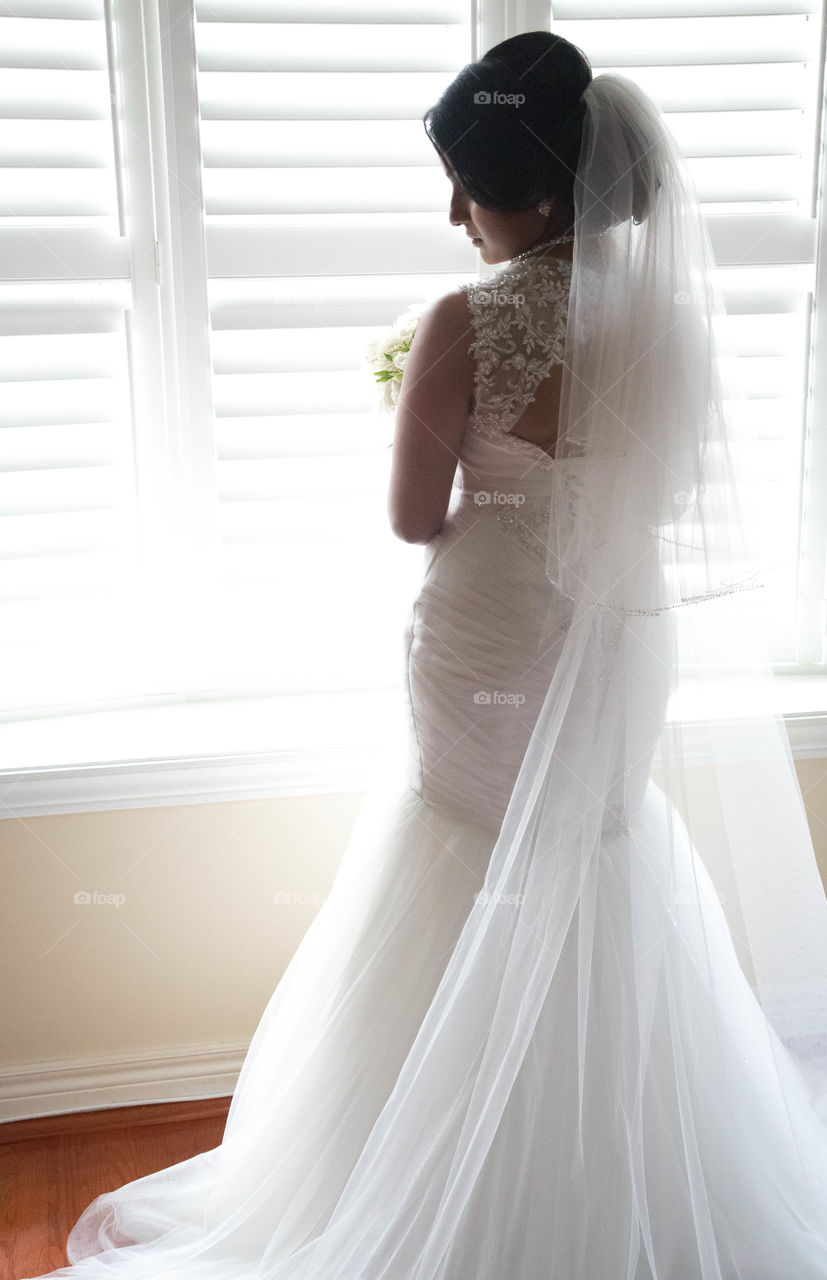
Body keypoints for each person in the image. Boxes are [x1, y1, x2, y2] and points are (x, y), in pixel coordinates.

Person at [26, 29, 827, 1280]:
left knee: (457, 857)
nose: (452, 211)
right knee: (598, 850)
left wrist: (449, 434)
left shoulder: (465, 322)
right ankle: (602, 1185)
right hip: (620, 635)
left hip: (487, 637)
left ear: (546, 190)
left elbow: (411, 518)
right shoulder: (673, 313)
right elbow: (666, 498)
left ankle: (403, 1186)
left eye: (469, 184)